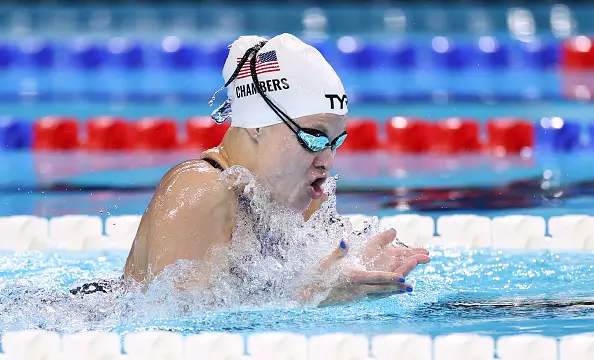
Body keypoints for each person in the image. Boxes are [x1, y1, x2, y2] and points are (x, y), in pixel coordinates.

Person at [118, 33, 430, 306]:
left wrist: (362, 262)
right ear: (256, 126)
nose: (327, 160)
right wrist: (311, 298)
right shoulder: (200, 193)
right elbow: (180, 330)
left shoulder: (297, 197)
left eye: (335, 142)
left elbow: (319, 272)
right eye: (313, 137)